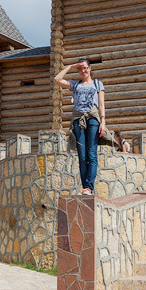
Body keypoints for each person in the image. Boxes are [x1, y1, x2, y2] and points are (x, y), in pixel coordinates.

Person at [54, 58, 106, 195]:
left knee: (91, 154)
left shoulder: (97, 84)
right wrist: (70, 67)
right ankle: (85, 188)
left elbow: (101, 105)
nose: (83, 71)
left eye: (85, 68)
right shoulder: (75, 84)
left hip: (93, 119)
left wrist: (103, 122)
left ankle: (89, 186)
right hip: (78, 120)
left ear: (89, 68)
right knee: (82, 156)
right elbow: (57, 79)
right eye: (80, 68)